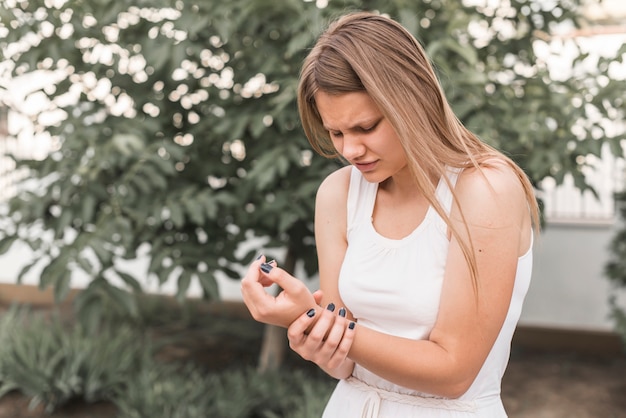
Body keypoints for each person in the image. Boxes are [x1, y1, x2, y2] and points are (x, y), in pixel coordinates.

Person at [241, 10, 539, 417]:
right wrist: (313, 333)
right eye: (336, 132)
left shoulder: (485, 190)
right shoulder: (339, 193)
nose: (350, 150)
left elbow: (454, 373)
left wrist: (321, 322)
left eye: (365, 127)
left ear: (413, 101)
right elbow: (344, 364)